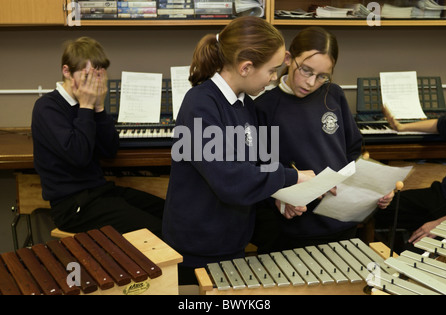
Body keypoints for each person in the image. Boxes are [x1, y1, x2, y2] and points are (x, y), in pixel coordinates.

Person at [162, 17, 309, 284]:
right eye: (272, 70)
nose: (275, 78)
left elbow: (262, 163)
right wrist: (293, 177)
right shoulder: (199, 105)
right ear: (246, 67)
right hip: (199, 249)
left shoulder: (245, 104)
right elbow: (231, 180)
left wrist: (278, 195)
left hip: (232, 241)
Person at [252, 27, 394, 253]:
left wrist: (375, 187)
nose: (311, 82)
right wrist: (279, 198)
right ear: (288, 59)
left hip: (341, 221)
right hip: (294, 228)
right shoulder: (264, 108)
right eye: (306, 71)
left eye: (321, 76)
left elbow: (353, 153)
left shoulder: (333, 95)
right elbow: (259, 170)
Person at [31, 36, 165, 237]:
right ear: (66, 71)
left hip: (100, 192)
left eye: (99, 76)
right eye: (87, 76)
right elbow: (79, 155)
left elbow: (109, 150)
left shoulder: (88, 104)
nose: (94, 84)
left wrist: (99, 107)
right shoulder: (47, 108)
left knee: (170, 213)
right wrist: (86, 106)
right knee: (154, 230)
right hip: (73, 206)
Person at [375, 107, 446, 248]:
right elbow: (442, 124)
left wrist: (439, 224)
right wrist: (401, 127)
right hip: (442, 195)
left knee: (411, 253)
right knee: (380, 208)